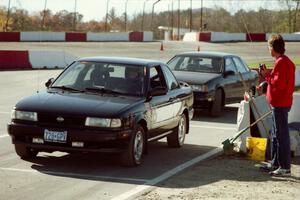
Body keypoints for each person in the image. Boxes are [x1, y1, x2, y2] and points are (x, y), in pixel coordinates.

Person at [260, 34, 295, 176]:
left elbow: (278, 84)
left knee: (281, 135)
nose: (269, 49)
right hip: (280, 103)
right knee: (275, 134)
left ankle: (285, 166)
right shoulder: (283, 62)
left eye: (269, 47)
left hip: (280, 103)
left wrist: (266, 76)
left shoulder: (281, 62)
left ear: (273, 48)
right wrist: (269, 73)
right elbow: (278, 78)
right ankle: (275, 162)